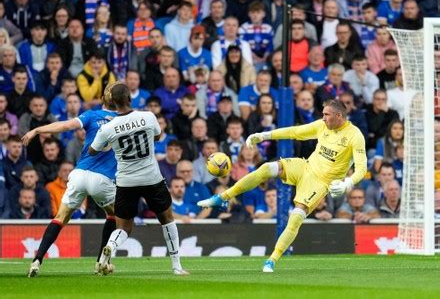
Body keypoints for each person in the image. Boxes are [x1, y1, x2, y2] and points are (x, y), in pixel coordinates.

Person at [198, 99, 367, 272]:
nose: (323, 118)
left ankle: (272, 260)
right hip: (305, 166)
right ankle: (222, 198)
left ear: (338, 115)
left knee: (295, 218)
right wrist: (264, 135)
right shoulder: (323, 126)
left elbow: (362, 169)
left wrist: (348, 183)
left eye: (326, 115)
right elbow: (294, 131)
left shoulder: (355, 136)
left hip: (320, 182)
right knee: (266, 168)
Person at [89, 82, 188, 275]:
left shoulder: (108, 128)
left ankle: (109, 248)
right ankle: (177, 266)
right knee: (167, 218)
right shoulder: (148, 116)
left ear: (112, 102)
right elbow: (158, 137)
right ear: (130, 98)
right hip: (151, 178)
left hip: (126, 182)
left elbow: (92, 151)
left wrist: (109, 141)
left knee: (124, 226)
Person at [23, 87, 119, 278]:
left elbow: (65, 126)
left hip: (80, 173)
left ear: (101, 99)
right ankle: (101, 262)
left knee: (61, 217)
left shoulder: (91, 115)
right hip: (103, 179)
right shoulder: (124, 120)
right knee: (115, 216)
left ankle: (37, 260)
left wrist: (37, 129)